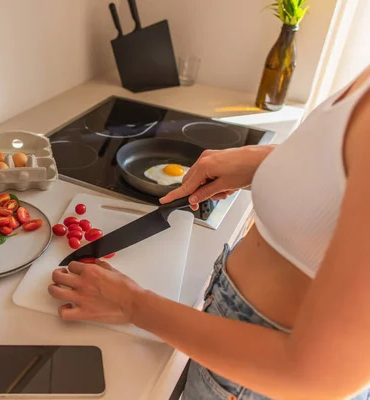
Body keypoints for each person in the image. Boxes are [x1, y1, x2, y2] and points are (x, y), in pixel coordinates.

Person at [48, 66, 370, 400]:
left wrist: (132, 303)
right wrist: (269, 163)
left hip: (257, 379)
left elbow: (316, 376)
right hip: (234, 350)